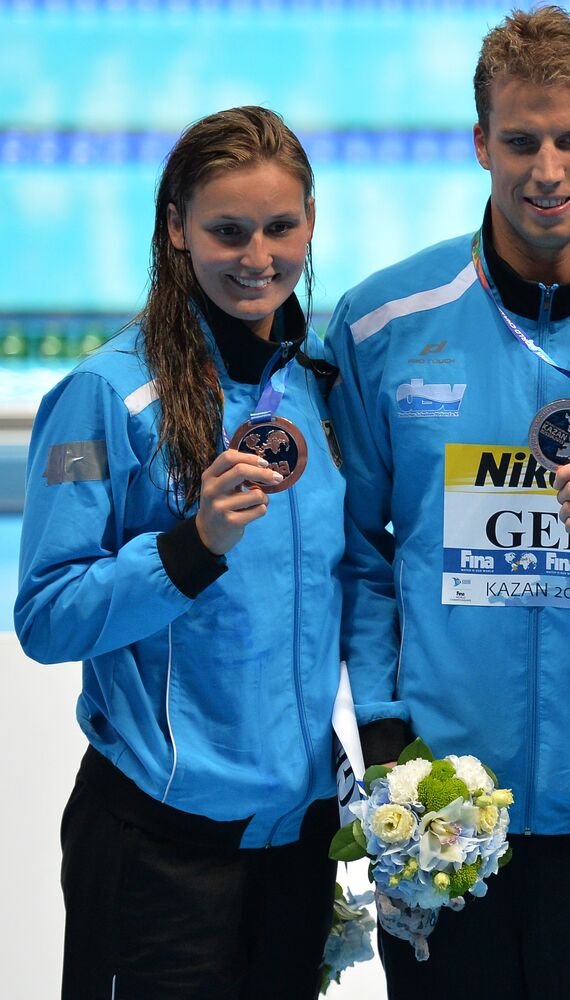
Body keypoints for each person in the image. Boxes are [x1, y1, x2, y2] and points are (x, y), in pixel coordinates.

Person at [322, 7, 570, 996]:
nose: (546, 170)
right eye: (519, 140)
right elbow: (358, 550)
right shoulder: (382, 324)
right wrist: (385, 735)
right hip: (444, 798)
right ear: (478, 143)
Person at [16, 106, 345, 998]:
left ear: (312, 223)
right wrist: (191, 547)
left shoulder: (320, 386)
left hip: (296, 835)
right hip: (159, 846)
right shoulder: (102, 400)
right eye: (227, 231)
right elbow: (46, 616)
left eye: (281, 228)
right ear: (175, 229)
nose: (258, 256)